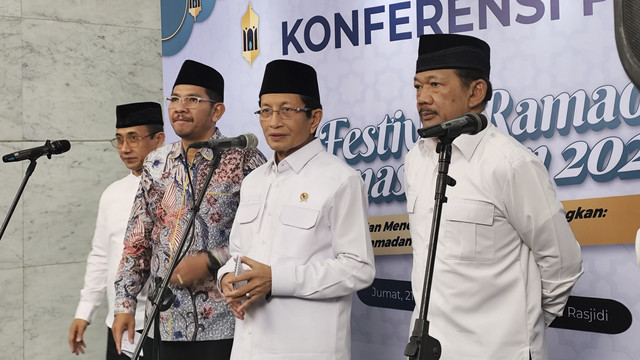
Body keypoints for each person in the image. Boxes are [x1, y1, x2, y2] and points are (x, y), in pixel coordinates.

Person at [404, 34, 583, 360]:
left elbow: (563, 263)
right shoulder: (416, 158)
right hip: (429, 350)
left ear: (476, 91)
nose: (422, 99)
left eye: (434, 85)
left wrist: (523, 327)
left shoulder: (511, 163)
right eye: (417, 87)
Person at [218, 59, 376, 360]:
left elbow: (359, 268)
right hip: (248, 347)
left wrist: (277, 279)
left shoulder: (340, 179)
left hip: (307, 348)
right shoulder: (253, 181)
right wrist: (226, 277)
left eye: (287, 110)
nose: (274, 121)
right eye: (265, 110)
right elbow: (237, 253)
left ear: (314, 118)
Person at [112, 60, 266, 360]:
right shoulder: (157, 163)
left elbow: (264, 235)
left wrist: (212, 260)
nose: (180, 107)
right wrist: (124, 304)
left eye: (192, 100)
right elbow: (137, 241)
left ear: (217, 110)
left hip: (226, 321)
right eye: (175, 99)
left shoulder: (243, 158)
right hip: (165, 319)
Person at [68, 102, 165, 359]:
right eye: (119, 139)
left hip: (165, 326)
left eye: (133, 138)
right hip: (121, 323)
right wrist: (84, 311)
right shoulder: (112, 193)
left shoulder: (175, 189)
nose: (124, 149)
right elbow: (101, 255)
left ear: (159, 139)